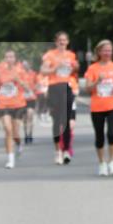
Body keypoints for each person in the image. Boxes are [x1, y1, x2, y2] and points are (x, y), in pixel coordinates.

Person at [84, 39, 113, 177]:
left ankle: (112, 162)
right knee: (99, 136)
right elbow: (87, 88)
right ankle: (102, 163)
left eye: (109, 50)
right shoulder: (92, 68)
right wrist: (97, 81)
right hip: (97, 106)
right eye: (104, 50)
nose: (107, 53)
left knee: (112, 134)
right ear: (99, 52)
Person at [41, 32, 78, 165]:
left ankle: (66, 150)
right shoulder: (50, 55)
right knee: (57, 120)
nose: (62, 42)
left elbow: (76, 69)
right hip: (54, 87)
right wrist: (56, 67)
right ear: (56, 42)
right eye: (60, 40)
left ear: (67, 42)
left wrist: (74, 67)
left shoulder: (71, 55)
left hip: (67, 87)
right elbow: (44, 71)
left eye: (64, 40)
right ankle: (58, 151)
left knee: (67, 120)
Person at [0, 49, 29, 169]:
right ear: (4, 59)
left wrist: (18, 79)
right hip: (4, 104)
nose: (9, 59)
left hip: (18, 104)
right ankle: (10, 159)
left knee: (15, 133)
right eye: (7, 57)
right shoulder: (0, 72)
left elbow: (28, 87)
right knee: (7, 130)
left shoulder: (20, 70)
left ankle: (19, 143)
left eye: (11, 57)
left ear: (15, 59)